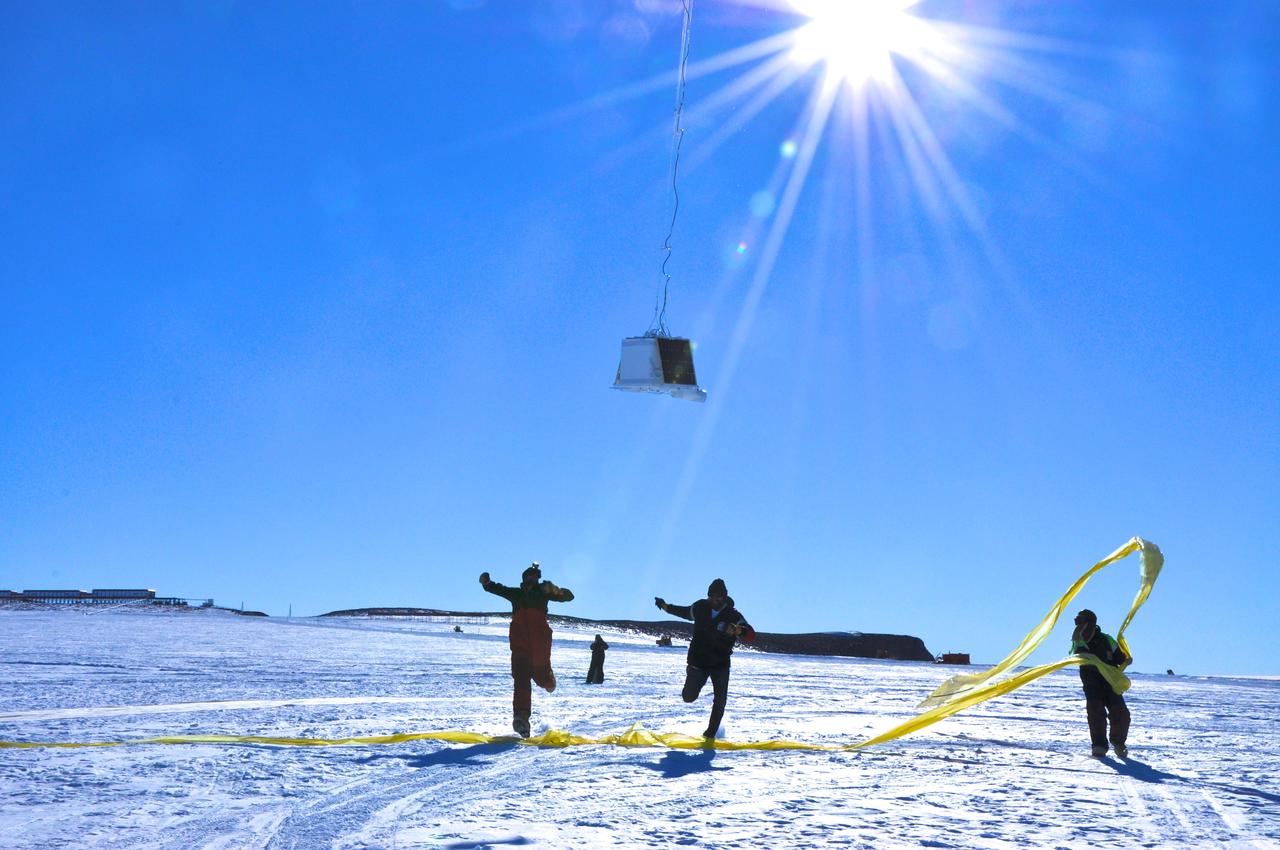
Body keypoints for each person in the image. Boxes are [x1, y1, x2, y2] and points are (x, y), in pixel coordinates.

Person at [480, 562, 575, 738]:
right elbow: (498, 589)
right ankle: (521, 719)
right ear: (524, 579)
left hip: (539, 645)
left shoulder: (543, 593)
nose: (533, 580)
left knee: (542, 679)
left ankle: (549, 680)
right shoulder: (516, 594)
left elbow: (569, 596)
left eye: (536, 578)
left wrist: (554, 589)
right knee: (521, 680)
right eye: (530, 577)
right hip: (520, 646)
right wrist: (487, 584)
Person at [654, 578, 755, 740]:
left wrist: (739, 631)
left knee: (720, 700)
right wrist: (666, 607)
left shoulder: (733, 615)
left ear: (725, 596)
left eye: (720, 596)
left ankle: (710, 735)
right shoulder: (700, 607)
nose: (716, 600)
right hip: (698, 661)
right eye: (713, 596)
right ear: (709, 596)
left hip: (720, 664)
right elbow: (685, 612)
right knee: (688, 697)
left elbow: (751, 634)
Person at [1070, 608, 1131, 758]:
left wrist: (1126, 659)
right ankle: (1099, 746)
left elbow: (1119, 658)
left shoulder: (1107, 640)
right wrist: (1079, 635)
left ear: (1090, 622)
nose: (1077, 624)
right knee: (1095, 711)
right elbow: (1078, 652)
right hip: (1091, 681)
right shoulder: (1078, 639)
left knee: (1121, 712)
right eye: (1076, 621)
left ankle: (1118, 743)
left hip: (1110, 681)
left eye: (1080, 621)